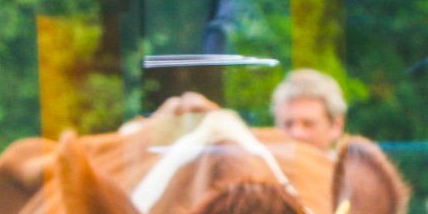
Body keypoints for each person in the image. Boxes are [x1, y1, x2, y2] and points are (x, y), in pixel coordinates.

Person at [141, 67, 349, 152]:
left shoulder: (350, 183)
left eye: (309, 124)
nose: (296, 133)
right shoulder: (267, 171)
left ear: (336, 126)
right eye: (288, 123)